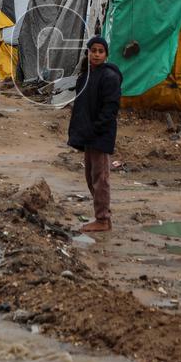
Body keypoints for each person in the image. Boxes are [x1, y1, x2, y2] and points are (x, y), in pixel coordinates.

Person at [66, 36, 123, 232]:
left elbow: (111, 107)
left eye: (100, 51)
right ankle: (102, 215)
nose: (97, 54)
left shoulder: (109, 77)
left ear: (106, 55)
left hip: (100, 134)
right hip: (89, 134)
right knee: (91, 177)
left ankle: (103, 219)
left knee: (101, 177)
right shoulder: (87, 76)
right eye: (93, 50)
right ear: (88, 52)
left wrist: (97, 127)